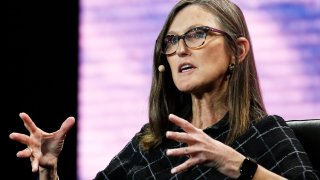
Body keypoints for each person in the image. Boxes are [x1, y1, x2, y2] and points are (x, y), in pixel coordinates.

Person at [9, 0, 320, 179]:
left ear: (237, 51)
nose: (181, 50)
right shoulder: (150, 144)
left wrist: (235, 164)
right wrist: (49, 172)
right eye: (171, 41)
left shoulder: (263, 134)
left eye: (197, 34)